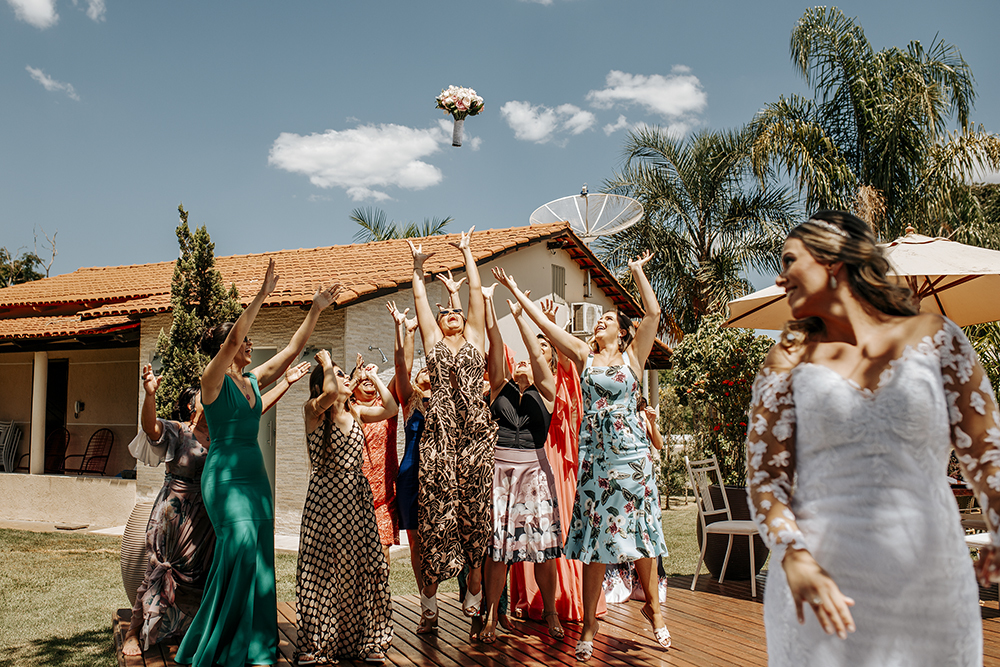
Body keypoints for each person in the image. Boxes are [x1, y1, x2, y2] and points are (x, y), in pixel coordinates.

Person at [747, 210, 1000, 666]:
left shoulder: (937, 338)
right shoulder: (787, 356)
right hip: (820, 589)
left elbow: (985, 454)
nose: (781, 278)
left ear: (833, 262)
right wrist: (791, 555)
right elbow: (767, 479)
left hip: (931, 585)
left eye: (789, 261)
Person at [493, 255, 670, 662]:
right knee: (596, 547)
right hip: (597, 462)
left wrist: (638, 271)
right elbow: (546, 327)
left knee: (641, 537)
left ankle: (655, 613)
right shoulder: (583, 356)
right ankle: (589, 625)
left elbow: (654, 311)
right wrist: (516, 292)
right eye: (600, 319)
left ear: (624, 333)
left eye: (609, 319)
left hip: (633, 459)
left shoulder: (633, 357)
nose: (600, 322)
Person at [175, 259, 340, 667]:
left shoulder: (251, 382)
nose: (249, 345)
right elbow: (231, 341)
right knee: (241, 545)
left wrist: (315, 309)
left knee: (259, 551)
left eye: (249, 342)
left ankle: (255, 643)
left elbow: (291, 351)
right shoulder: (211, 379)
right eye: (246, 341)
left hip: (255, 479)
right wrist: (263, 295)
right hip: (224, 480)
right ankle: (220, 640)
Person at [124, 361, 310, 657]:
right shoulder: (178, 430)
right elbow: (150, 428)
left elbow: (254, 411)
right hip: (175, 514)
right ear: (190, 404)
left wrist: (285, 382)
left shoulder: (222, 434)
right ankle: (134, 632)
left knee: (202, 575)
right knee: (159, 570)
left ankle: (193, 631)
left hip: (211, 513)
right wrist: (149, 395)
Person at [407, 228, 498, 627]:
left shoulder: (476, 337)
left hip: (475, 437)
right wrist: (417, 265)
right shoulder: (432, 341)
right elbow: (419, 298)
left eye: (455, 311)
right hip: (441, 436)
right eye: (445, 313)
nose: (450, 313)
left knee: (475, 515)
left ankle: (474, 583)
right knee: (435, 517)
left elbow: (476, 292)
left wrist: (467, 252)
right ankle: (430, 608)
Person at [509, 300, 609, 624]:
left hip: (557, 463)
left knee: (562, 528)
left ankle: (571, 597)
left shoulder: (561, 382)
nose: (539, 349)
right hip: (529, 461)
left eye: (545, 345)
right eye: (535, 345)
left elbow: (568, 360)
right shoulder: (520, 386)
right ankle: (537, 600)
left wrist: (553, 325)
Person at [477, 284, 564, 643]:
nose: (527, 361)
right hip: (499, 472)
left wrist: (522, 316)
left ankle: (550, 612)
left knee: (543, 549)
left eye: (535, 358)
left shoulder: (547, 390)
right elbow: (495, 345)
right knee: (497, 550)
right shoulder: (498, 387)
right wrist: (487, 303)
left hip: (534, 471)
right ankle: (492, 616)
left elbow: (537, 355)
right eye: (523, 360)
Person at [296, 349, 394, 664]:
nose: (344, 379)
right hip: (325, 499)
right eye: (339, 375)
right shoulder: (314, 411)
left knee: (364, 568)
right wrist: (327, 364)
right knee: (322, 570)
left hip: (356, 498)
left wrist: (373, 376)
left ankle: (369, 641)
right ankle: (321, 642)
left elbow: (391, 408)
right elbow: (329, 393)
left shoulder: (358, 413)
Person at [387, 301, 435, 633]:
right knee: (417, 541)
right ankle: (427, 608)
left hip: (442, 476)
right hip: (411, 475)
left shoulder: (449, 398)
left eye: (430, 371)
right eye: (422, 374)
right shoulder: (412, 400)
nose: (426, 375)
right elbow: (401, 363)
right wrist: (404, 330)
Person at [602, 395, 668, 605]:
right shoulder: (613, 415)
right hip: (620, 480)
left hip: (643, 482)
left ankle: (646, 586)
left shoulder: (643, 416)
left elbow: (658, 444)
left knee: (644, 530)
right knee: (620, 530)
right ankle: (619, 583)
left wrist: (653, 422)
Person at [351, 351, 401, 566]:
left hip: (385, 490)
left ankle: (380, 597)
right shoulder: (349, 408)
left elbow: (402, 369)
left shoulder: (385, 404)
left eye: (369, 381)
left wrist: (375, 376)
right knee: (357, 551)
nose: (368, 383)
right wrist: (356, 376)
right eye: (362, 381)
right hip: (356, 489)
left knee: (382, 550)